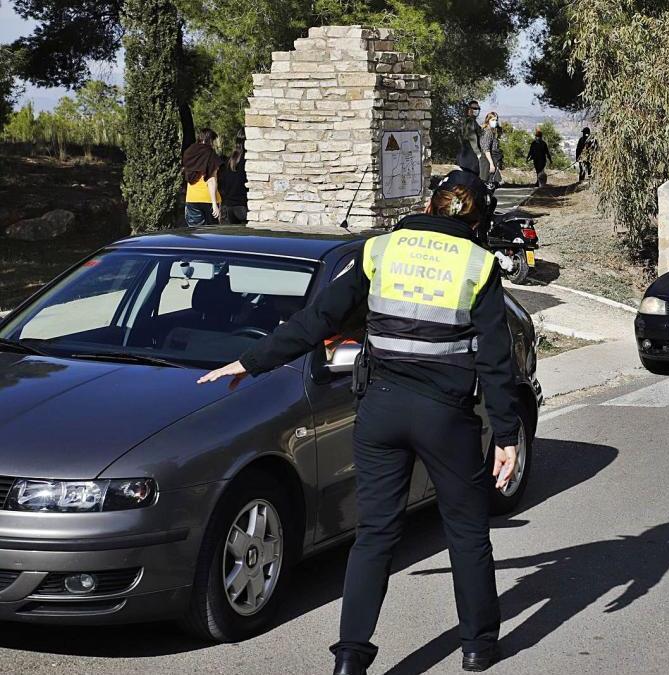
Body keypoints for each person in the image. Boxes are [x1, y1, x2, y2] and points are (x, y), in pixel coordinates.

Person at [197, 170, 522, 675]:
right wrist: (505, 435)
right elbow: (497, 361)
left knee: (375, 536)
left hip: (381, 410)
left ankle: (350, 657)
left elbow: (318, 319)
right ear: (478, 219)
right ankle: (478, 645)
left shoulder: (380, 251)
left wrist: (251, 360)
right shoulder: (478, 265)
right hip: (445, 416)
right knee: (466, 531)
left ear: (431, 206)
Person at [182, 128, 223, 226]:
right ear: (210, 140)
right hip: (208, 199)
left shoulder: (188, 152)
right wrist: (214, 203)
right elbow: (211, 180)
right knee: (211, 236)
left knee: (195, 235)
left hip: (192, 199)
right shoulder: (210, 154)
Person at [218, 130, 248, 224]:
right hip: (242, 205)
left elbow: (223, 182)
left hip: (229, 206)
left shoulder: (230, 160)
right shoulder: (247, 159)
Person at [457, 100, 484, 176]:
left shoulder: (464, 121)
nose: (476, 110)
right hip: (471, 156)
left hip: (463, 155)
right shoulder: (470, 122)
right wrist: (478, 154)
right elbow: (473, 139)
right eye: (474, 108)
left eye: (477, 109)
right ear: (469, 109)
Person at [480, 111, 503, 185]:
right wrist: (491, 164)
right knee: (488, 183)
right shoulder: (487, 132)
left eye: (496, 120)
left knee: (494, 183)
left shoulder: (493, 132)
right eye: (493, 120)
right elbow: (486, 149)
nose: (495, 122)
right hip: (487, 160)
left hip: (494, 158)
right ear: (488, 120)